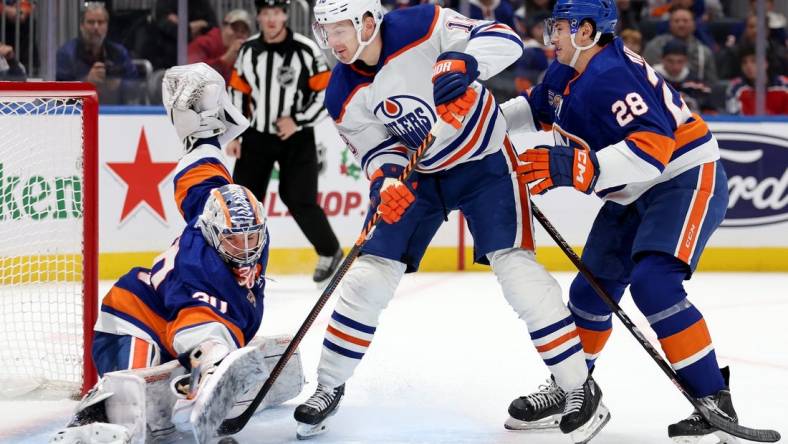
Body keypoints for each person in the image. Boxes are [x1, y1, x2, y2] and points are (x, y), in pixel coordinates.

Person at [293, 0, 609, 442]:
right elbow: (376, 152)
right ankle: (328, 386)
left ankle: (578, 386)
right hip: (419, 177)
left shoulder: (422, 22)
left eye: (341, 29)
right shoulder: (341, 93)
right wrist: (386, 181)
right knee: (367, 278)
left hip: (483, 162)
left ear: (368, 21)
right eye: (326, 32)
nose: (334, 42)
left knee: (519, 274)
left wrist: (461, 60)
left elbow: (505, 38)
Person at [501, 0, 742, 441]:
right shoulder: (567, 69)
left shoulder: (613, 75)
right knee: (590, 291)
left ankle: (713, 398)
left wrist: (581, 169)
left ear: (588, 32)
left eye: (559, 27)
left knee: (655, 283)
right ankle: (570, 387)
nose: (549, 34)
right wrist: (482, 129)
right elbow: (535, 107)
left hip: (682, 177)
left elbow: (653, 149)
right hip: (632, 189)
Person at [50, 63, 289, 443]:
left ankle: (189, 374)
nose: (244, 248)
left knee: (168, 372)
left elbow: (209, 185)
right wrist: (210, 359)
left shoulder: (243, 235)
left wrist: (207, 134)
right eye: (233, 240)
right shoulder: (201, 255)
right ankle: (98, 416)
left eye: (251, 239)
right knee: (134, 392)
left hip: (166, 319)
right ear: (210, 232)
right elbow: (195, 327)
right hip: (133, 315)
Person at [228, 0, 343, 284]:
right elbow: (237, 92)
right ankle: (238, 264)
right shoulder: (248, 50)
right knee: (243, 203)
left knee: (299, 198)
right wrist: (235, 133)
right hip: (256, 135)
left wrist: (298, 120)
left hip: (297, 137)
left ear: (285, 15)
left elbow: (325, 93)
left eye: (277, 12)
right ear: (258, 16)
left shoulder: (305, 49)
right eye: (266, 13)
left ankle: (330, 251)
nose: (271, 19)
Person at [56, 2, 137, 104]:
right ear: (81, 26)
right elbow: (58, 95)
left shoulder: (119, 52)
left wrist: (120, 85)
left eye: (100, 22)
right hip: (77, 112)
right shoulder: (67, 54)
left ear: (107, 26)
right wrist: (86, 83)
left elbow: (136, 86)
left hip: (115, 112)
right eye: (90, 22)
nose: (96, 27)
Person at [642, 6, 717, 82]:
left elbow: (712, 82)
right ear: (670, 24)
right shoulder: (654, 46)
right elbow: (644, 75)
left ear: (694, 24)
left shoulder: (703, 51)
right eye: (676, 21)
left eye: (685, 21)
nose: (681, 25)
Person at [187, 9, 253, 82]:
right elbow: (192, 76)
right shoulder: (203, 43)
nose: (239, 35)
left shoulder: (245, 55)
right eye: (235, 28)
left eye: (243, 32)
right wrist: (225, 60)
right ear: (224, 27)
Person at [726, 45, 788, 115]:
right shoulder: (735, 88)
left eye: (754, 61)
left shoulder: (785, 86)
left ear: (765, 63)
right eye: (744, 62)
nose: (748, 66)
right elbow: (735, 119)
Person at [653, 39, 711, 113]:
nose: (675, 67)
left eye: (680, 61)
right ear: (662, 59)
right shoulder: (652, 78)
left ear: (686, 61)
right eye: (670, 61)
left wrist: (689, 100)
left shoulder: (694, 81)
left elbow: (708, 106)